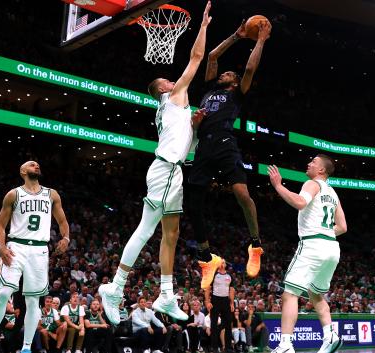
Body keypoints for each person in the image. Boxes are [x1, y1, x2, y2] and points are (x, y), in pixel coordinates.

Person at [98, 0, 212, 325]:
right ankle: (115, 288)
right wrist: (203, 26)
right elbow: (196, 57)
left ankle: (166, 294)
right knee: (147, 229)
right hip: (165, 171)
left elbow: (187, 137)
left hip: (173, 172)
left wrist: (196, 126)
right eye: (167, 79)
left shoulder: (176, 109)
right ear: (163, 89)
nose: (173, 80)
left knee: (171, 234)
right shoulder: (173, 98)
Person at [186, 16, 272, 288]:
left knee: (241, 193)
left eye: (229, 74)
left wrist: (259, 40)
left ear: (234, 83)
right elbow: (212, 55)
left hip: (224, 142)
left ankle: (255, 244)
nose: (224, 73)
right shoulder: (210, 89)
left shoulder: (237, 93)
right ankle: (206, 256)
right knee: (192, 203)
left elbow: (249, 68)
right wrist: (236, 36)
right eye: (224, 73)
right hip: (204, 145)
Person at [0, 160, 70, 353]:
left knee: (32, 301)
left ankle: (27, 347)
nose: (36, 166)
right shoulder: (13, 194)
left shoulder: (51, 194)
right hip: (16, 247)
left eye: (38, 164)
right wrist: (2, 248)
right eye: (31, 165)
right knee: (3, 293)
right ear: (22, 171)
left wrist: (66, 238)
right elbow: (1, 226)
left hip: (39, 250)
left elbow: (62, 220)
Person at [267, 155, 347, 353]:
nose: (309, 163)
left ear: (321, 171)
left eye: (313, 162)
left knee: (289, 294)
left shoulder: (312, 183)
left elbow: (300, 202)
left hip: (313, 245)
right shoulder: (333, 193)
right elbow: (343, 227)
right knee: (316, 294)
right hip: (331, 248)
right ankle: (330, 336)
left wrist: (278, 186)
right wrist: (325, 232)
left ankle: (285, 345)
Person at [204, 259, 234, 353]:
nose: (222, 263)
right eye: (221, 262)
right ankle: (214, 347)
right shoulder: (213, 275)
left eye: (224, 262)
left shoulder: (229, 276)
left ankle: (228, 347)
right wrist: (207, 301)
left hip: (225, 300)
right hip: (215, 299)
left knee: (228, 324)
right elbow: (208, 289)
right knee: (213, 324)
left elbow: (231, 290)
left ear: (225, 265)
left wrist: (232, 303)